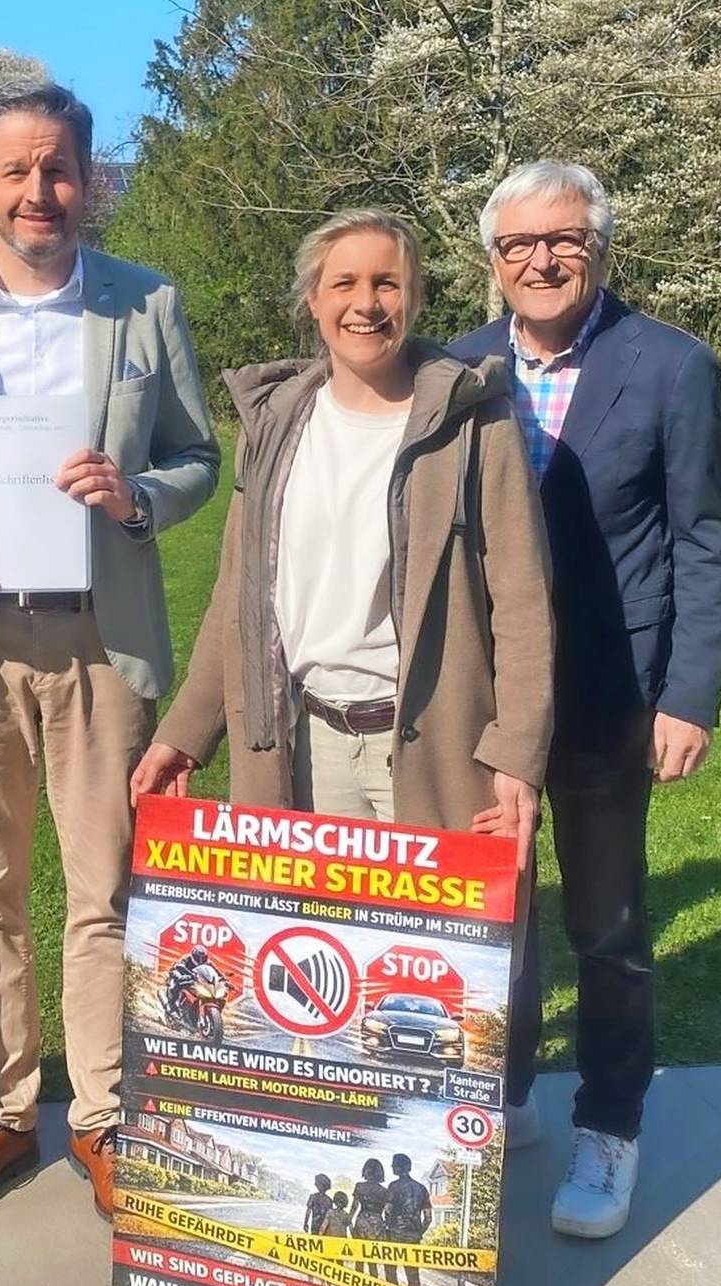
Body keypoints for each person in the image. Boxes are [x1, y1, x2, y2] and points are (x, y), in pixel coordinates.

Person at [0, 83, 221, 1229]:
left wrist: (137, 498)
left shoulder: (145, 301)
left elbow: (198, 457)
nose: (39, 192)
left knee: (103, 888)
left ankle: (103, 1117)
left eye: (59, 168)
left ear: (88, 177)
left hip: (99, 640)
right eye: (16, 171)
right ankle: (7, 1114)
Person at [448, 161, 721, 1241]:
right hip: (486, 704)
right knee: (493, 917)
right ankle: (503, 1085)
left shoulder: (670, 366)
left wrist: (690, 694)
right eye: (519, 245)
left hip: (615, 695)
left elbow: (704, 542)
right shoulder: (459, 366)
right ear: (493, 259)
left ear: (601, 246)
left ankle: (609, 1124)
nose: (541, 260)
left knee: (606, 926)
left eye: (562, 239)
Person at [133, 208, 553, 866]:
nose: (366, 304)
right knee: (307, 954)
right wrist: (185, 732)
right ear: (313, 300)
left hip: (432, 747)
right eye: (344, 284)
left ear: (414, 297)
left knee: (434, 961)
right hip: (303, 744)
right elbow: (235, 597)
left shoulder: (475, 423)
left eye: (387, 283)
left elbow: (524, 604)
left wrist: (517, 755)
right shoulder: (272, 423)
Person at [384, 1153, 430, 1286]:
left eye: (394, 1164)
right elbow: (428, 1218)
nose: (391, 1166)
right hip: (413, 1237)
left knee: (391, 1271)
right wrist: (418, 1233)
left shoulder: (393, 1186)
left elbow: (387, 1210)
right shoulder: (421, 1188)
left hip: (394, 1235)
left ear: (399, 1167)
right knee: (413, 1274)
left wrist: (389, 1226)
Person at [350, 1157, 394, 1283]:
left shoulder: (359, 1186)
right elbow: (388, 1212)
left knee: (359, 1258)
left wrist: (349, 1220)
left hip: (362, 1221)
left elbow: (354, 1207)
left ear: (366, 1171)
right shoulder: (385, 1191)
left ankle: (358, 1285)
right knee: (372, 1260)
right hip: (377, 1224)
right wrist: (386, 1227)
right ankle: (373, 1285)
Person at [160, 945, 212, 1030]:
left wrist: (223, 978)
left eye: (203, 957)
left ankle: (194, 1014)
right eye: (198, 957)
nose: (200, 960)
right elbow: (178, 966)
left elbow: (215, 971)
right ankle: (171, 1006)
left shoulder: (208, 963)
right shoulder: (186, 958)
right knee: (176, 984)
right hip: (181, 975)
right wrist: (182, 975)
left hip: (195, 981)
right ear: (193, 955)